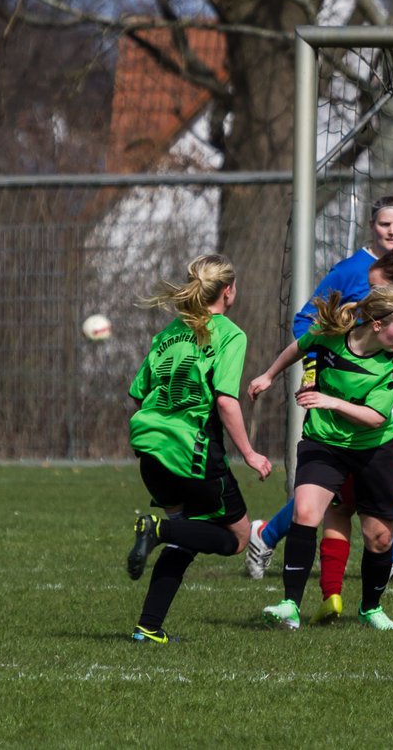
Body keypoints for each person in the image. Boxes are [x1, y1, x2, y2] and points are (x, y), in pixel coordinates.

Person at [244, 194, 393, 584]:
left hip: (388, 380)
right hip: (348, 385)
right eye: (383, 224)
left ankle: (389, 559)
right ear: (371, 227)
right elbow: (308, 320)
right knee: (338, 483)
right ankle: (268, 534)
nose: (391, 230)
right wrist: (315, 362)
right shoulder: (350, 270)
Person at [124, 253, 273, 644]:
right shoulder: (230, 333)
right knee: (237, 538)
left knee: (183, 537)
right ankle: (156, 527)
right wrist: (251, 454)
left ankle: (148, 627)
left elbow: (140, 393)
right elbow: (225, 401)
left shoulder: (169, 333)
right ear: (228, 291)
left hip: (150, 449)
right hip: (192, 452)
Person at [248, 284, 393, 631]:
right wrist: (268, 375)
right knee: (306, 511)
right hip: (324, 442)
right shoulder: (331, 333)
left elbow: (375, 417)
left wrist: (329, 400)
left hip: (374, 449)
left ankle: (371, 608)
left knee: (378, 537)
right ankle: (289, 605)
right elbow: (298, 346)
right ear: (379, 324)